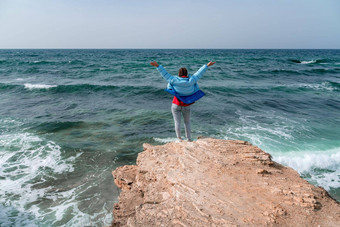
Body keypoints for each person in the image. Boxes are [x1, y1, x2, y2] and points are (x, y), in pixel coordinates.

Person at [150, 61, 215, 141]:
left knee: (177, 122)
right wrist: (207, 65)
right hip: (186, 105)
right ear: (186, 73)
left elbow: (165, 74)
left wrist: (158, 66)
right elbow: (199, 73)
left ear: (179, 74)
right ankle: (189, 139)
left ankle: (179, 139)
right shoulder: (191, 80)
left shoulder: (173, 80)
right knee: (187, 122)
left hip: (176, 105)